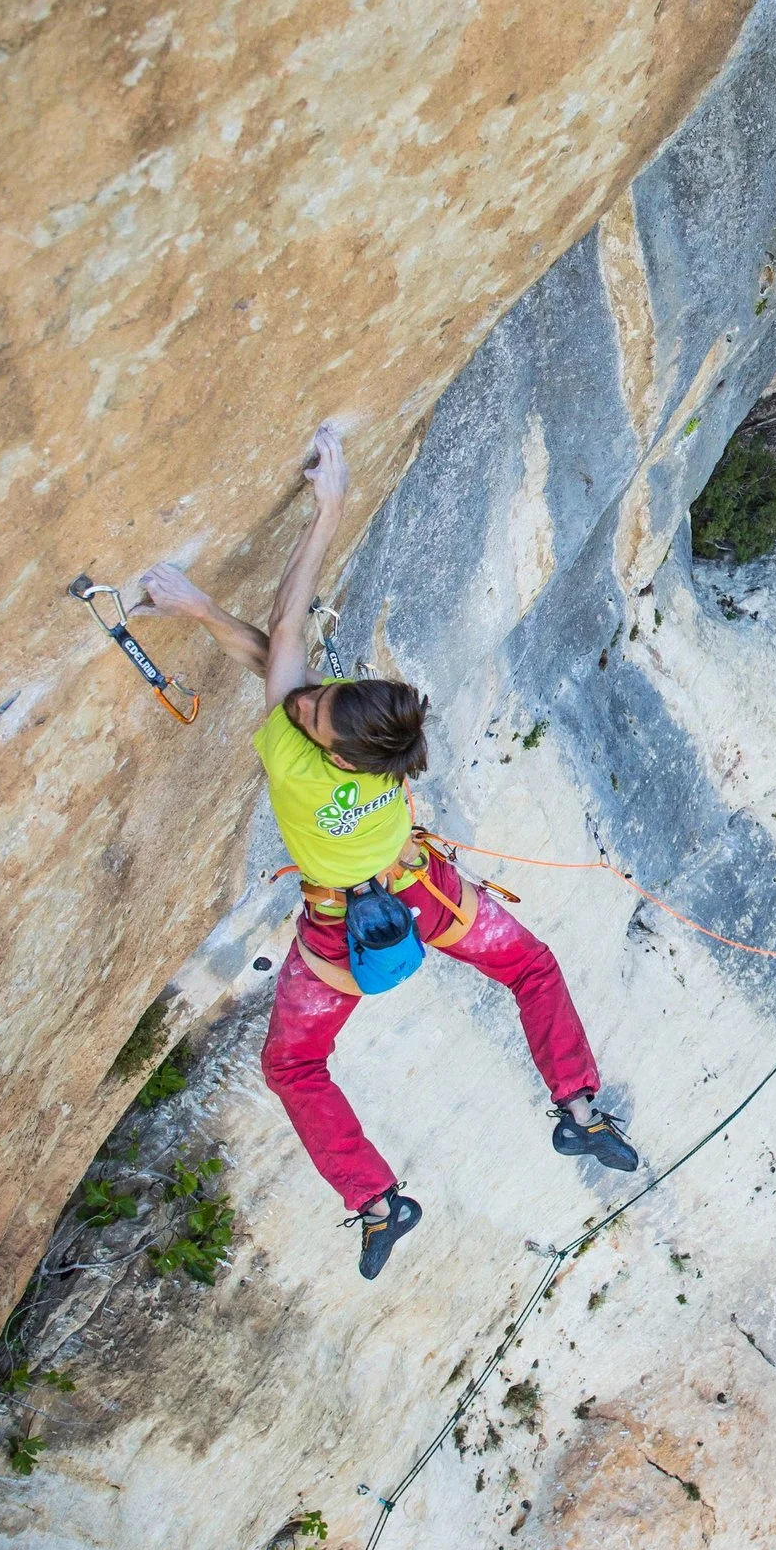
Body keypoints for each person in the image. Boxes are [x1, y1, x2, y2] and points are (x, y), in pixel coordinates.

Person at [136, 424, 637, 1281]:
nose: (306, 707)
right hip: (423, 894)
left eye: (316, 714)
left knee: (294, 1062)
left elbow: (285, 630)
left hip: (339, 936)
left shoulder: (297, 756)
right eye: (322, 700)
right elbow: (285, 671)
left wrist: (323, 513)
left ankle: (376, 1200)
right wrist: (206, 612)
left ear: (332, 751)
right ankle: (578, 1103)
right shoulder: (386, 746)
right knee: (530, 968)